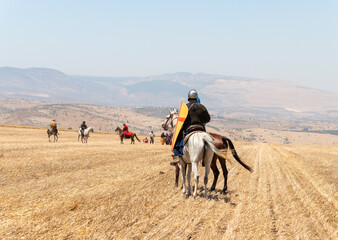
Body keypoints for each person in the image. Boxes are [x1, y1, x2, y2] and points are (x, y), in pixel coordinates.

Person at [170, 89, 210, 165]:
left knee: (177, 139)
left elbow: (181, 120)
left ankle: (177, 156)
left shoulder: (185, 107)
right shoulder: (202, 107)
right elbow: (208, 119)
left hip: (190, 129)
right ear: (196, 97)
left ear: (189, 97)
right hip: (201, 128)